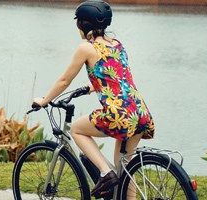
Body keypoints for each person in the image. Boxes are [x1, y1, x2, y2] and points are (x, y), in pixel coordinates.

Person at [31, 0, 155, 198]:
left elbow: (64, 81)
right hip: (139, 112)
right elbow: (117, 76)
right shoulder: (117, 45)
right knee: (125, 169)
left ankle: (105, 174)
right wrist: (93, 86)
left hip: (118, 115)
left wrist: (44, 100)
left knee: (77, 130)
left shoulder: (86, 48)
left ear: (82, 24)